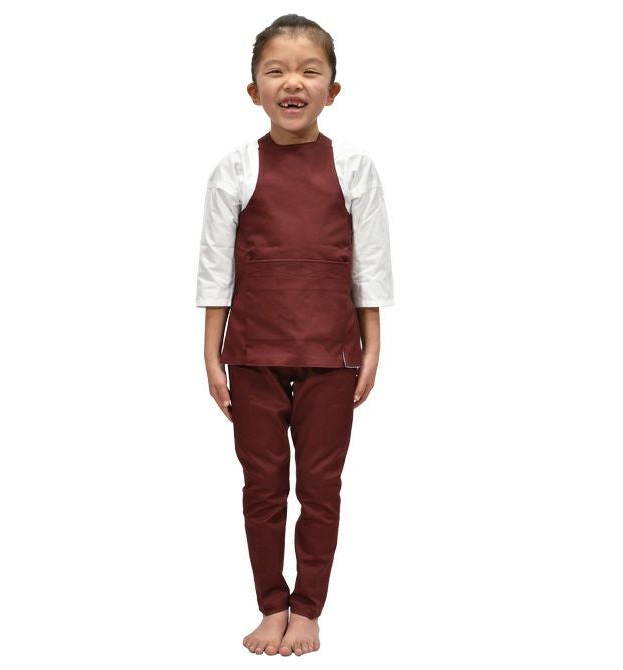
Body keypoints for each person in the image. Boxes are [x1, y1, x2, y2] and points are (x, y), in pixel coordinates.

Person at [195, 14, 395, 656]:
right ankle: (270, 604)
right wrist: (211, 352)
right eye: (276, 70)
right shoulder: (234, 169)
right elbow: (216, 266)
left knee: (320, 486)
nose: (293, 82)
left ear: (332, 90)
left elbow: (369, 264)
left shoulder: (354, 167)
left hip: (332, 356)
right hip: (252, 354)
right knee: (262, 487)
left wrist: (371, 347)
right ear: (253, 89)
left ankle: (307, 609)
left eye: (310, 71)